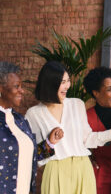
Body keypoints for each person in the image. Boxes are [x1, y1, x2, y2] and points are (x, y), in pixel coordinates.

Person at [25, 61, 111, 194]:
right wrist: (50, 142)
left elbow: (87, 139)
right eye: (62, 82)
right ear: (50, 83)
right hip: (55, 170)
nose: (67, 86)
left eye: (68, 81)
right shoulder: (34, 114)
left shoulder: (77, 105)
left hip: (83, 168)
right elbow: (34, 154)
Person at [0, 61, 63, 194]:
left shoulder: (20, 121)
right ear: (1, 89)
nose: (21, 91)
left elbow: (31, 155)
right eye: (17, 86)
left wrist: (49, 143)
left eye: (21, 86)